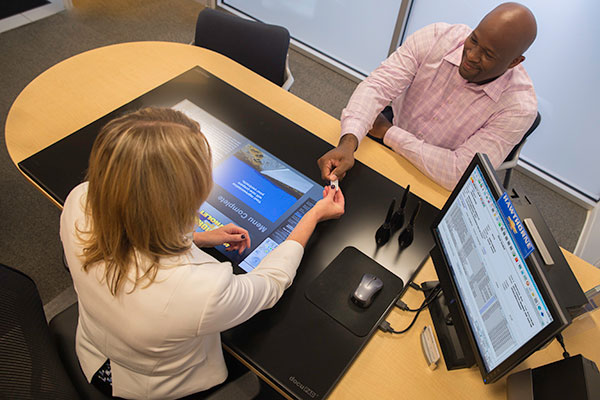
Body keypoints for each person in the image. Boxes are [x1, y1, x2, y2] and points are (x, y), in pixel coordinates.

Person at [60, 107, 345, 399]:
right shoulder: (200, 289)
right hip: (153, 387)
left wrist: (198, 238)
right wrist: (312, 215)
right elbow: (271, 284)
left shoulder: (80, 199)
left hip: (94, 348)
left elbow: (133, 222)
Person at [318, 2, 538, 190]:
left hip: (434, 177)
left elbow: (459, 172)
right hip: (393, 131)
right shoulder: (436, 37)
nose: (471, 55)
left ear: (514, 62)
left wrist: (388, 133)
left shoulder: (518, 108)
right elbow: (377, 86)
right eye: (474, 40)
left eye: (488, 54)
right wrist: (349, 142)